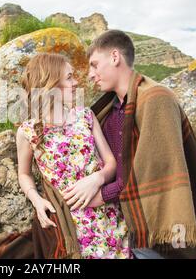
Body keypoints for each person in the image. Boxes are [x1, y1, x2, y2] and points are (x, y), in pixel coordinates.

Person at [62, 29, 196, 259]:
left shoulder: (156, 99)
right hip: (119, 224)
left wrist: (100, 194)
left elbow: (151, 173)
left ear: (115, 57)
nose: (90, 74)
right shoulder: (108, 111)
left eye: (94, 65)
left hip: (153, 226)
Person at [16, 52, 132, 259]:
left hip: (107, 214)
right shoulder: (28, 131)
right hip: (70, 222)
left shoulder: (85, 116)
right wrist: (36, 200)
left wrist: (97, 179)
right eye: (69, 77)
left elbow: (111, 162)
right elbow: (24, 174)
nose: (76, 82)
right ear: (50, 85)